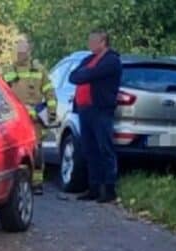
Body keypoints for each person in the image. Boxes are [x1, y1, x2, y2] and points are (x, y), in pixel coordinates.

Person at [68, 30, 122, 203]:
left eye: (93, 40)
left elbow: (93, 74)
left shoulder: (112, 60)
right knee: (89, 150)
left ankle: (109, 190)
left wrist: (86, 74)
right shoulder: (88, 59)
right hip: (85, 110)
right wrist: (86, 74)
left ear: (103, 41)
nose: (90, 43)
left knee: (104, 148)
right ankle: (93, 188)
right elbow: (74, 76)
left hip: (101, 109)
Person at [0, 36, 54, 195]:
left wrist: (51, 112)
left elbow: (49, 92)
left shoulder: (39, 70)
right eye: (18, 52)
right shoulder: (6, 71)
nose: (20, 55)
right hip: (13, 118)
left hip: (35, 118)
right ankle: (13, 183)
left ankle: (37, 183)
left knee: (36, 150)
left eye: (23, 52)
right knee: (12, 151)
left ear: (29, 52)